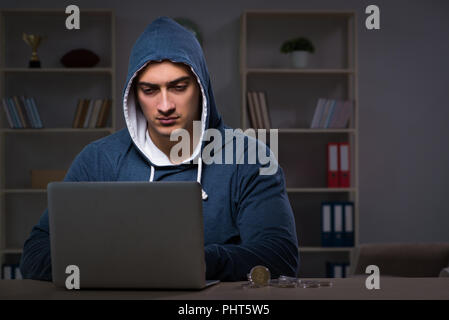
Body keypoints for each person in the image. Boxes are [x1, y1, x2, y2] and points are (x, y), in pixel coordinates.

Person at [20, 17, 299, 281]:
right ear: (133, 94)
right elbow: (35, 255)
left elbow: (279, 256)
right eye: (150, 90)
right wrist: (133, 263)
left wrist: (194, 260)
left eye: (178, 87)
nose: (165, 105)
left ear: (201, 88)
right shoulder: (98, 159)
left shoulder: (250, 158)